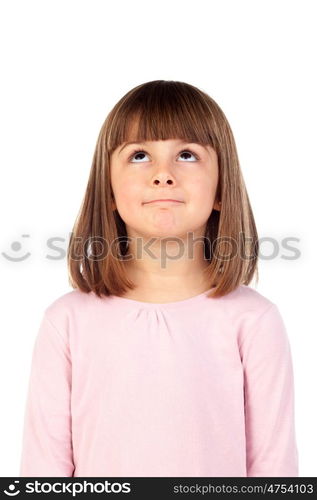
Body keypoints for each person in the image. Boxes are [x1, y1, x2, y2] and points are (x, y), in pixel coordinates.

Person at [19, 80, 299, 477]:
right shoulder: (66, 322)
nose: (163, 175)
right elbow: (43, 469)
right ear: (109, 191)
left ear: (221, 189)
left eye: (187, 155)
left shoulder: (253, 320)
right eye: (138, 156)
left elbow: (274, 467)